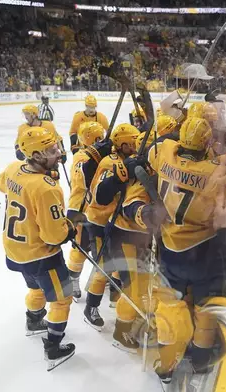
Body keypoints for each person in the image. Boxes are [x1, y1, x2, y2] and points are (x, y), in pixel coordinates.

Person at [146, 117, 226, 377]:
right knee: (204, 306)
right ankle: (200, 361)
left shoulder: (165, 154)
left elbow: (158, 146)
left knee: (169, 306)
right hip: (203, 250)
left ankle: (165, 365)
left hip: (169, 245)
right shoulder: (218, 169)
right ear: (207, 142)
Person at [0, 127, 76, 371]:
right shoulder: (46, 188)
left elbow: (2, 186)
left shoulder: (13, 168)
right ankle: (53, 348)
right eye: (51, 150)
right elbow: (54, 235)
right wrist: (70, 229)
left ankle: (33, 321)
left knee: (35, 286)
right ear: (36, 155)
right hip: (41, 254)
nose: (59, 152)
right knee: (63, 299)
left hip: (15, 250)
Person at [81, 123, 139, 330]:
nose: (136, 147)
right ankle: (91, 307)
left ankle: (115, 296)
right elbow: (100, 196)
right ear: (123, 145)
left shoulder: (123, 159)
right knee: (104, 267)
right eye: (133, 143)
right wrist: (119, 178)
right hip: (99, 220)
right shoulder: (110, 162)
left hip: (111, 221)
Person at [65, 121, 105, 300]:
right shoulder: (81, 156)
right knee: (80, 248)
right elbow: (84, 180)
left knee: (100, 247)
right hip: (82, 209)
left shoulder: (100, 154)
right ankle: (72, 278)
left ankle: (99, 280)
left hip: (98, 210)